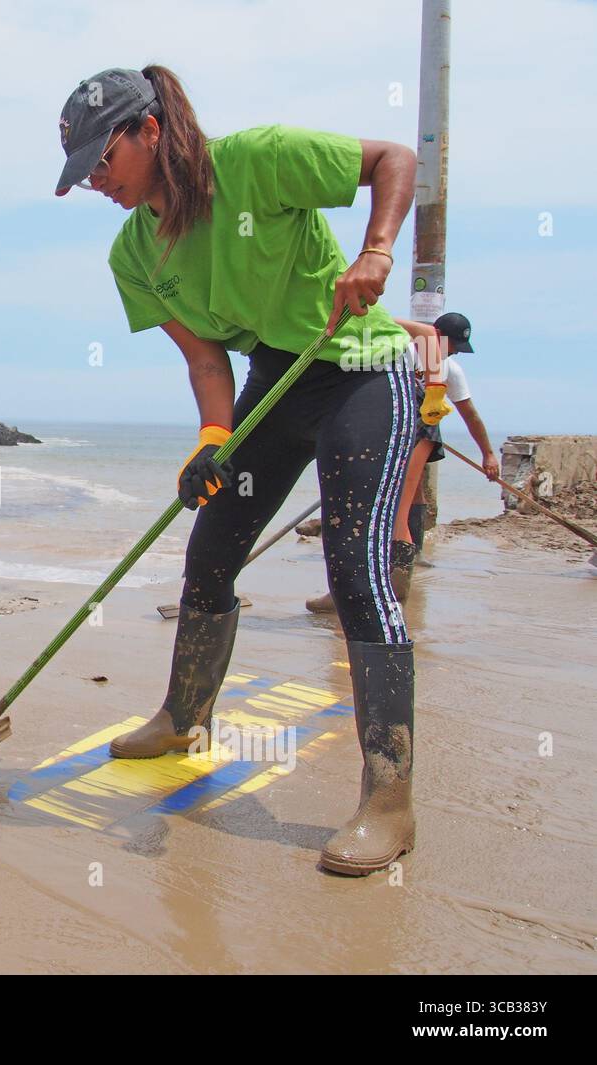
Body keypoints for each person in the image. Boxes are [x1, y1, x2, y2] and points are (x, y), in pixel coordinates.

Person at [54, 66, 418, 875]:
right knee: (210, 551)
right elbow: (205, 356)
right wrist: (211, 438)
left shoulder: (261, 159)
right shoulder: (134, 251)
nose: (96, 182)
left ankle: (389, 800)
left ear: (149, 130)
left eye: (101, 159)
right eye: (83, 172)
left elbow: (395, 157)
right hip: (274, 379)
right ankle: (185, 715)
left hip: (357, 363)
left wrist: (377, 251)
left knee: (356, 570)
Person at [306, 311, 497, 611]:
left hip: (419, 430)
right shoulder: (400, 347)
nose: (447, 353)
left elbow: (469, 414)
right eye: (446, 344)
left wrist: (487, 453)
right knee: (385, 503)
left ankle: (382, 591)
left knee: (396, 505)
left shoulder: (451, 370)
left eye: (452, 349)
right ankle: (385, 589)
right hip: (386, 422)